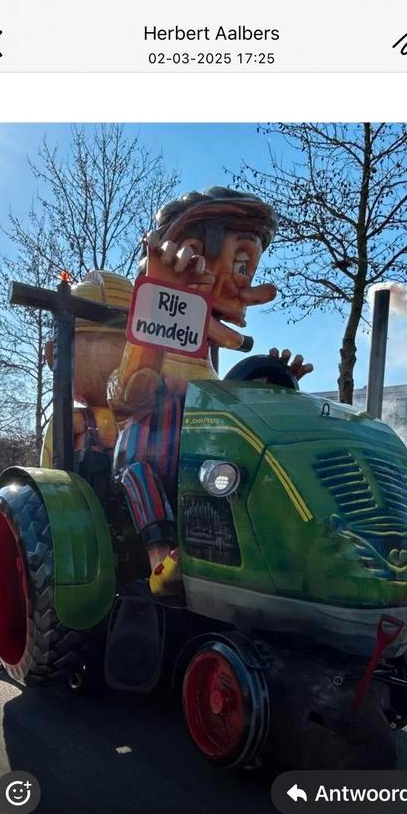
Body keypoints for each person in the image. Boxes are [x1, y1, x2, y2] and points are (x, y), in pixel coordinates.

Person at [107, 187, 313, 594]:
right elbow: (129, 392)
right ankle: (160, 557)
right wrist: (160, 300)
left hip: (203, 463)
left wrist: (274, 384)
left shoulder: (207, 357)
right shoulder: (153, 335)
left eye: (249, 273)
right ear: (191, 249)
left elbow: (229, 404)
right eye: (240, 267)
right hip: (148, 456)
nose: (247, 289)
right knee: (135, 462)